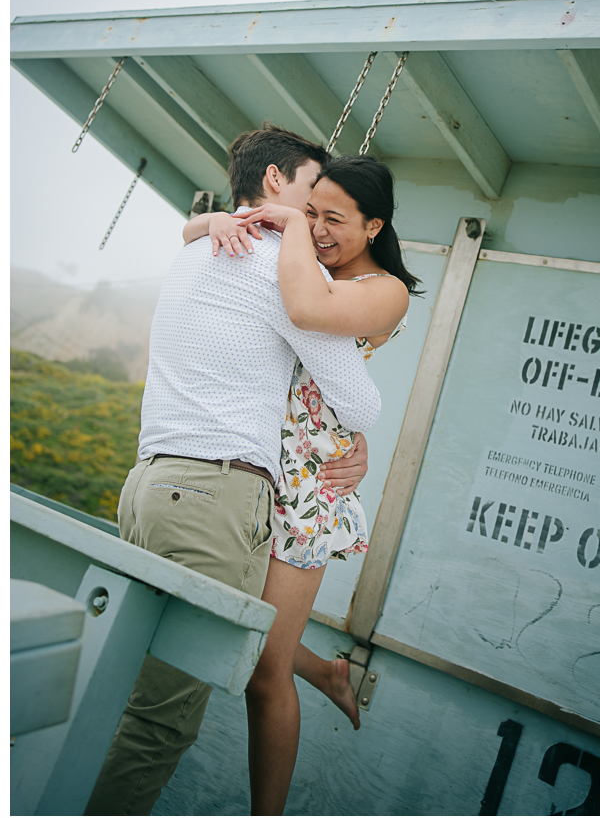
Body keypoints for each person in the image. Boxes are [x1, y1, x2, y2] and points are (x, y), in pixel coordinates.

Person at [84, 125, 382, 816]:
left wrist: (210, 221)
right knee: (160, 722)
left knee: (130, 687)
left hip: (148, 485)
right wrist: (352, 434)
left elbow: (194, 236)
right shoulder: (276, 267)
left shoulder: (197, 252)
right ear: (276, 183)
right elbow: (358, 397)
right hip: (215, 496)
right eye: (312, 191)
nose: (316, 213)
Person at [184, 153, 422, 815]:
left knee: (262, 673)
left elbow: (308, 311)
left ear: (374, 226)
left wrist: (283, 223)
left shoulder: (386, 289)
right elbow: (190, 233)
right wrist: (216, 225)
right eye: (311, 210)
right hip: (252, 453)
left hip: (312, 486)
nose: (316, 228)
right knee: (238, 624)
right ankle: (321, 670)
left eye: (334, 220)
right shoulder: (302, 255)